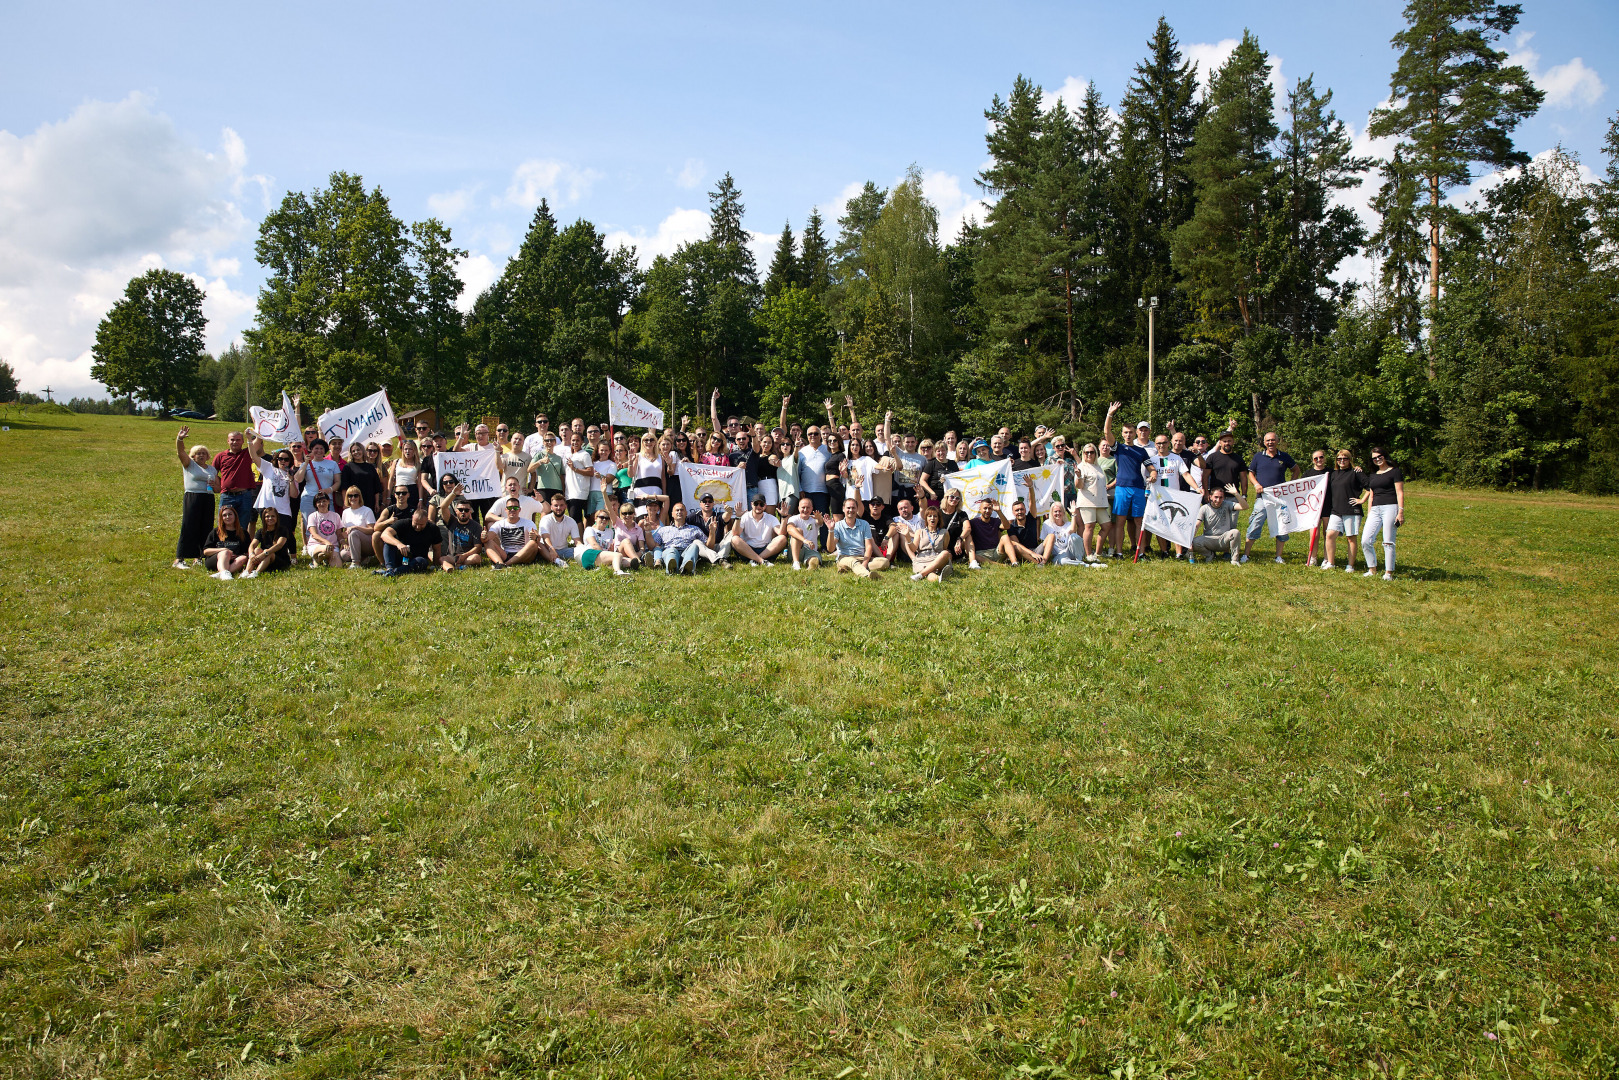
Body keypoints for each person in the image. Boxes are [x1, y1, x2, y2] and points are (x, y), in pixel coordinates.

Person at [1243, 431, 1299, 563]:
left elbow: (1296, 469)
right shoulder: (1258, 457)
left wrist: (1290, 485)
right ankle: (1246, 555)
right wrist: (1256, 484)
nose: (1270, 443)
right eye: (1268, 440)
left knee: (1282, 526)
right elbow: (1250, 473)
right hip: (1263, 497)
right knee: (1255, 524)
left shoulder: (1284, 456)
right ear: (1264, 442)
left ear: (1277, 441)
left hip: (1280, 498)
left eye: (1273, 440)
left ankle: (1278, 556)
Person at [173, 426, 219, 569]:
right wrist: (179, 439)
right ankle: (179, 559)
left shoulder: (212, 469)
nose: (201, 455)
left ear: (208, 456)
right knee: (189, 526)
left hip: (208, 498)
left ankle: (199, 557)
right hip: (193, 497)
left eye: (203, 453)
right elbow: (180, 452)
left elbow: (218, 489)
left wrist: (214, 484)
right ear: (193, 456)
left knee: (206, 527)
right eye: (198, 453)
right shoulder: (189, 465)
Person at [1360, 447, 1405, 580]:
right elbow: (1371, 495)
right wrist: (1369, 513)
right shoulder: (1373, 475)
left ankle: (1388, 573)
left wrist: (1400, 512)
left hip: (1390, 507)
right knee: (1365, 540)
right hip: (1375, 509)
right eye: (1374, 458)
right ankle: (1372, 569)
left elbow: (1400, 492)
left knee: (1388, 541)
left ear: (1384, 456)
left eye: (1379, 456)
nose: (1377, 459)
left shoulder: (1395, 472)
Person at [1322, 450, 1366, 572]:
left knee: (1351, 538)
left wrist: (1361, 500)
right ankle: (1331, 562)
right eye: (1339, 459)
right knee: (1330, 535)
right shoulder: (1334, 474)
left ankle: (1350, 565)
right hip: (1336, 510)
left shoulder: (1356, 472)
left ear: (1349, 460)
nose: (1342, 461)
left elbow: (1370, 486)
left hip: (1351, 510)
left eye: (1345, 459)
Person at [378, 503, 441, 576]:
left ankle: (393, 572)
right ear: (412, 517)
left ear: (427, 520)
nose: (417, 527)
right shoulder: (404, 523)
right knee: (389, 541)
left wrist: (436, 565)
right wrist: (399, 544)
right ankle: (390, 568)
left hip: (416, 560)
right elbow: (384, 534)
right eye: (416, 523)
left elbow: (437, 549)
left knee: (422, 561)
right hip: (400, 557)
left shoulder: (433, 529)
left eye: (421, 525)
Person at [1073, 443, 1110, 563]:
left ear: (1095, 453)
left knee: (1107, 526)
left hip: (1100, 502)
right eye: (1086, 452)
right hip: (1087, 501)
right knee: (1089, 527)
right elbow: (1079, 486)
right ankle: (1088, 554)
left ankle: (1098, 552)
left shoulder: (1097, 466)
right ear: (1083, 454)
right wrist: (1078, 476)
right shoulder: (1081, 467)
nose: (1089, 454)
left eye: (1091, 452)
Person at [832, 497, 888, 577]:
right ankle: (866, 575)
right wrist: (830, 530)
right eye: (848, 508)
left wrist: (865, 563)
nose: (851, 510)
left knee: (884, 562)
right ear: (843, 509)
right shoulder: (838, 525)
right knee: (852, 562)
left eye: (853, 508)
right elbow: (830, 547)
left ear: (857, 509)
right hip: (845, 557)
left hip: (861, 557)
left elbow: (869, 546)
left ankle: (851, 568)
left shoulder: (864, 524)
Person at [1191, 486, 1244, 564]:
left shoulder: (1227, 504)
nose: (1218, 500)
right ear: (1210, 497)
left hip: (1224, 539)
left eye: (1221, 497)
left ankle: (1234, 560)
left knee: (1235, 532)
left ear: (1223, 498)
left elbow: (1245, 506)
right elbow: (1197, 525)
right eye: (1216, 497)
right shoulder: (1204, 508)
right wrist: (1190, 542)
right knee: (1194, 542)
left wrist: (1236, 494)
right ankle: (1209, 555)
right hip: (1209, 539)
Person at [482, 498, 541, 569]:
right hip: (506, 554)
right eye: (509, 508)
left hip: (524, 554)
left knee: (533, 543)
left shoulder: (528, 523)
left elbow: (538, 538)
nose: (512, 510)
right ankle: (500, 563)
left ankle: (506, 564)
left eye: (515, 507)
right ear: (505, 510)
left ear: (519, 510)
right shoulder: (499, 524)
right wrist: (484, 537)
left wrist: (535, 536)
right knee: (488, 542)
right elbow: (487, 539)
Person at [652, 501, 707, 574]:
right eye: (677, 510)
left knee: (694, 546)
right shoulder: (663, 530)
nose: (679, 512)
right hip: (670, 550)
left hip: (686, 552)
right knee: (671, 551)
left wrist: (712, 532)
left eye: (682, 510)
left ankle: (686, 569)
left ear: (686, 513)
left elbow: (706, 544)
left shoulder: (695, 529)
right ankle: (672, 570)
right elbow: (656, 546)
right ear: (672, 514)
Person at [732, 495, 786, 566]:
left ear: (765, 506)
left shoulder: (771, 518)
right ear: (751, 504)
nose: (759, 506)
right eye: (756, 504)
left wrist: (784, 518)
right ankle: (761, 561)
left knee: (783, 538)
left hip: (766, 550)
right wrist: (738, 517)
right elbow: (735, 533)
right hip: (747, 550)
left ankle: (755, 560)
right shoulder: (745, 516)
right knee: (734, 539)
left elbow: (781, 533)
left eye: (761, 504)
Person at [905, 504, 954, 581]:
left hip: (937, 559)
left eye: (935, 516)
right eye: (930, 516)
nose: (932, 518)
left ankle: (921, 575)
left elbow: (944, 548)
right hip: (922, 560)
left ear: (938, 519)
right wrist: (907, 537)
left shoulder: (944, 532)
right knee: (931, 573)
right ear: (926, 518)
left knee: (945, 553)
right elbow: (913, 549)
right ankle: (939, 578)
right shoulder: (919, 532)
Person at [203, 504, 251, 579]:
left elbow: (247, 552)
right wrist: (223, 550)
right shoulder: (216, 531)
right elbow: (206, 551)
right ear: (221, 518)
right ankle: (224, 573)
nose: (227, 517)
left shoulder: (243, 532)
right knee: (225, 553)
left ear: (235, 516)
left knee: (243, 558)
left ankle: (222, 573)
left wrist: (236, 556)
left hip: (234, 561)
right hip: (215, 561)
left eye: (230, 514)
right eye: (224, 515)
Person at [243, 505, 291, 578]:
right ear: (264, 518)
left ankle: (256, 573)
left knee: (269, 553)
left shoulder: (283, 530)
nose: (270, 518)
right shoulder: (261, 531)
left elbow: (279, 545)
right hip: (264, 559)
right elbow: (252, 545)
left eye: (273, 516)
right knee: (257, 550)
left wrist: (265, 553)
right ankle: (247, 572)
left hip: (280, 559)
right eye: (267, 516)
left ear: (277, 518)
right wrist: (251, 554)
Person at [373, 487, 416, 565]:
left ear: (408, 495)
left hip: (408, 540)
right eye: (398, 493)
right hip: (391, 538)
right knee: (376, 535)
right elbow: (376, 527)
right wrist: (388, 521)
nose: (401, 495)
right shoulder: (388, 510)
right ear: (394, 495)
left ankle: (406, 562)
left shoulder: (413, 510)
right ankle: (383, 563)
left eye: (404, 493)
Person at [437, 500, 484, 570]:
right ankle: (452, 569)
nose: (463, 512)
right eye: (460, 510)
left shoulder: (476, 526)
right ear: (456, 511)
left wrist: (464, 556)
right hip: (452, 557)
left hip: (468, 556)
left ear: (470, 511)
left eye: (466, 510)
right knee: (442, 559)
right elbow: (443, 507)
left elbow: (478, 548)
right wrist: (453, 493)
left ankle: (455, 567)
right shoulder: (451, 521)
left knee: (476, 558)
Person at [534, 494, 579, 567]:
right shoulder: (546, 519)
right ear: (551, 507)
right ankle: (557, 561)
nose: (559, 508)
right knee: (539, 545)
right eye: (556, 505)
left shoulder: (571, 521)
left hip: (564, 550)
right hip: (546, 549)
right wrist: (551, 549)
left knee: (583, 550)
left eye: (561, 505)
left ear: (565, 506)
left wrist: (581, 550)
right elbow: (546, 538)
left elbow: (577, 541)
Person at [303, 491, 343, 568]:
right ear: (316, 504)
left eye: (324, 501)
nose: (322, 504)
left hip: (333, 546)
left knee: (338, 567)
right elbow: (314, 535)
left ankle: (321, 558)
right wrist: (326, 542)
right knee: (326, 550)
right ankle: (318, 558)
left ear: (328, 502)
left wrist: (343, 542)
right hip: (316, 545)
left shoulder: (336, 516)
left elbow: (339, 534)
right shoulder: (312, 516)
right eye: (319, 502)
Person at [339, 486, 377, 567]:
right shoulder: (345, 512)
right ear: (347, 498)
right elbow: (345, 532)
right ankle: (363, 558)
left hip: (367, 543)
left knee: (354, 533)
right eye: (350, 496)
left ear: (359, 497)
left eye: (356, 495)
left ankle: (355, 563)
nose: (353, 498)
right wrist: (344, 542)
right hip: (353, 544)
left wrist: (356, 527)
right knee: (343, 554)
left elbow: (371, 530)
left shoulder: (367, 510)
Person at [562, 430, 593, 527]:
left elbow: (590, 472)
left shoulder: (584, 454)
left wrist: (575, 469)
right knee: (573, 518)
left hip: (579, 492)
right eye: (573, 440)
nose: (575, 443)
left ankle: (579, 541)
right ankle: (578, 539)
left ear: (582, 442)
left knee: (576, 519)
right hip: (569, 493)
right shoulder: (571, 455)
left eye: (577, 440)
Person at [963, 496, 1005, 568]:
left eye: (990, 508)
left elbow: (1007, 526)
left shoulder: (996, 521)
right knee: (972, 555)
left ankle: (1014, 563)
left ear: (992, 510)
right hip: (981, 554)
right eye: (985, 508)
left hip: (995, 552)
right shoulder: (973, 522)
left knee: (1006, 537)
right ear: (980, 509)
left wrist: (999, 511)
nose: (987, 511)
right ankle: (997, 564)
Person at [1000, 498, 1044, 565]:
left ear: (1025, 510)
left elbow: (1032, 502)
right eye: (1017, 510)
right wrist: (1032, 553)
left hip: (1036, 550)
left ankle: (1044, 561)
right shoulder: (1011, 527)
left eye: (1021, 509)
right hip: (1023, 553)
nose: (1020, 512)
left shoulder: (1031, 518)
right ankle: (1038, 563)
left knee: (1051, 536)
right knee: (1016, 547)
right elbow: (1017, 544)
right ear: (1013, 513)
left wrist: (1031, 487)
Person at [784, 497, 824, 570]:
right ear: (798, 508)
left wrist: (819, 518)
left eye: (808, 507)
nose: (805, 510)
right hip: (796, 550)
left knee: (814, 559)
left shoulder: (814, 519)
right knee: (798, 530)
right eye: (803, 507)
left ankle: (812, 565)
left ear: (812, 508)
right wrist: (804, 540)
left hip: (811, 550)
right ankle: (796, 563)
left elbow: (820, 522)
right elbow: (789, 529)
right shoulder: (793, 518)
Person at [528, 431, 566, 505]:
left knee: (557, 511)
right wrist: (540, 462)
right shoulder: (539, 455)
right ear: (543, 442)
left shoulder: (558, 458)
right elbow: (529, 469)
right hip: (544, 488)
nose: (549, 442)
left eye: (552, 440)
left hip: (557, 488)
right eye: (547, 440)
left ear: (555, 442)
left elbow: (561, 476)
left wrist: (563, 491)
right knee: (546, 510)